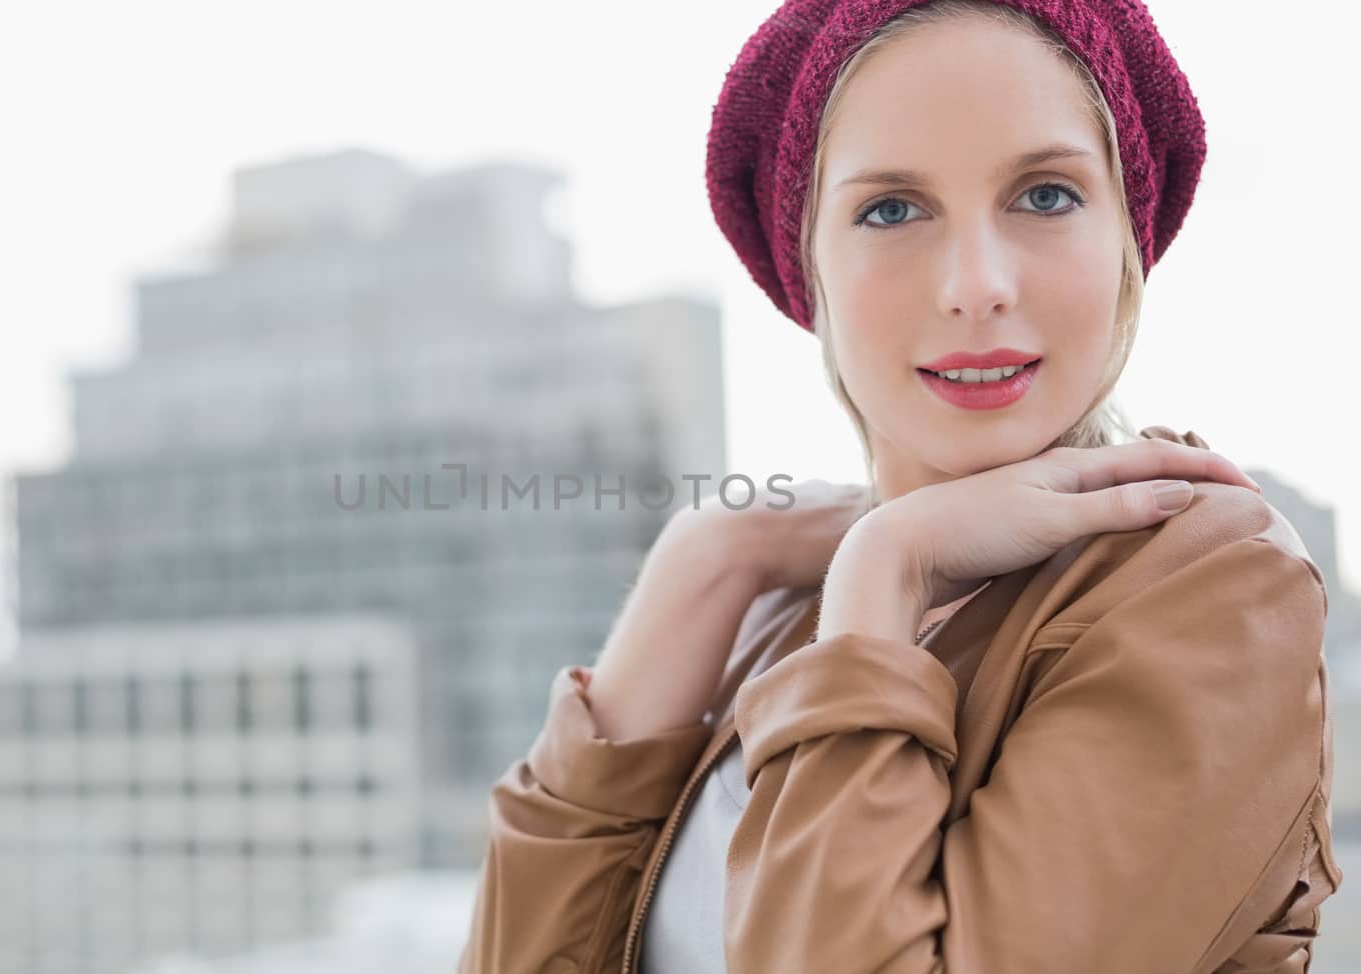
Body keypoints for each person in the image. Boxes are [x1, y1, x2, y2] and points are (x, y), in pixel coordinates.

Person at [457, 0, 1342, 971]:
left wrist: (888, 560)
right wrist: (707, 557)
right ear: (810, 265)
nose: (976, 282)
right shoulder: (768, 606)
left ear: (1124, 238)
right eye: (891, 208)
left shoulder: (1204, 580)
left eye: (1044, 194)